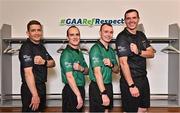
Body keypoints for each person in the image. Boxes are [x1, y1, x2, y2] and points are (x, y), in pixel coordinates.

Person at [115, 9, 155, 112]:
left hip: (143, 79)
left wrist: (139, 52)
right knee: (130, 111)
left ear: (138, 19)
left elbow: (151, 53)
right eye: (128, 18)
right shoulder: (122, 37)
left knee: (143, 109)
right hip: (131, 80)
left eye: (134, 18)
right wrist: (131, 85)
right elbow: (123, 63)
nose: (131, 20)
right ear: (125, 20)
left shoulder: (141, 35)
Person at [19, 20, 55, 112]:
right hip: (31, 89)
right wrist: (35, 95)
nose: (36, 33)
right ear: (28, 33)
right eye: (33, 30)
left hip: (41, 87)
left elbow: (52, 63)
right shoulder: (26, 48)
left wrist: (44, 62)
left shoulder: (41, 47)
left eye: (39, 30)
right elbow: (28, 73)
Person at [89, 23, 119, 112]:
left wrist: (111, 65)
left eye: (111, 32)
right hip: (97, 87)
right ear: (100, 33)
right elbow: (97, 73)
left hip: (108, 85)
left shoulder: (111, 51)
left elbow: (117, 70)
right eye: (106, 32)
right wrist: (103, 93)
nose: (108, 34)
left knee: (107, 111)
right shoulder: (95, 49)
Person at [60, 26, 89, 112]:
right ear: (67, 37)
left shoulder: (79, 52)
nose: (75, 37)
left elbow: (87, 71)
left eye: (77, 34)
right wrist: (78, 95)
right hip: (71, 91)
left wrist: (81, 68)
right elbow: (69, 77)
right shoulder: (66, 54)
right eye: (72, 35)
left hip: (80, 88)